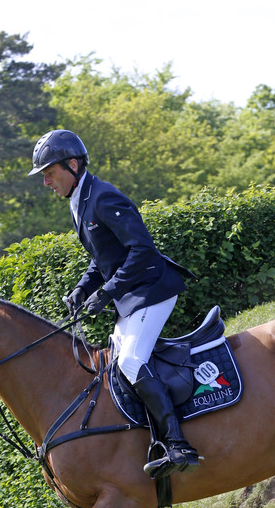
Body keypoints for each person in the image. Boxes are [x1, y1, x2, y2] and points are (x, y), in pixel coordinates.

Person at [28, 128, 201, 478]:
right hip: (133, 297)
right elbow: (104, 257)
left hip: (153, 290)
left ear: (72, 165)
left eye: (49, 173)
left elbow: (142, 251)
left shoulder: (104, 197)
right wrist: (82, 288)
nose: (46, 183)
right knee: (117, 367)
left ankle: (178, 445)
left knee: (133, 362)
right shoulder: (82, 201)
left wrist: (107, 292)